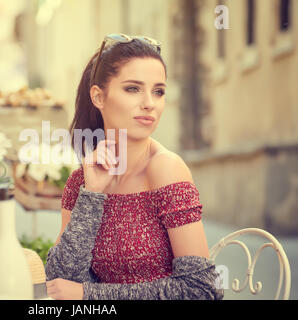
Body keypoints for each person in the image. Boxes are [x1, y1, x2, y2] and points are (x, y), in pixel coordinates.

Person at [44, 34, 224, 300]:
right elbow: (60, 280)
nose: (149, 103)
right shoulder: (81, 181)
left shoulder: (166, 168)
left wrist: (90, 295)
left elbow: (200, 289)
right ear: (98, 97)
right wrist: (92, 195)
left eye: (158, 91)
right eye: (133, 88)